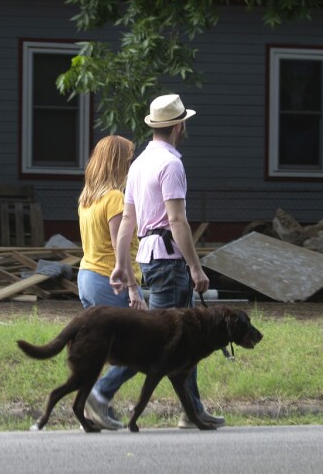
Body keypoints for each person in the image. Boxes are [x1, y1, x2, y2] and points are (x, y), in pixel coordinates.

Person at [109, 94, 224, 430]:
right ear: (179, 126)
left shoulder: (139, 163)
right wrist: (195, 266)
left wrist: (121, 263)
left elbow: (128, 220)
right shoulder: (171, 165)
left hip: (148, 257)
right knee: (160, 341)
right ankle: (102, 392)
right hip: (171, 262)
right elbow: (177, 221)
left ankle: (193, 411)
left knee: (186, 339)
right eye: (183, 122)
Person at [75, 135, 142, 431]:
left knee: (101, 350)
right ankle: (100, 395)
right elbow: (120, 249)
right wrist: (132, 289)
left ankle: (87, 413)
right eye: (128, 160)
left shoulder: (87, 198)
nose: (131, 165)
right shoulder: (114, 198)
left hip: (87, 277)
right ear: (118, 163)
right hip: (108, 281)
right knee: (145, 348)